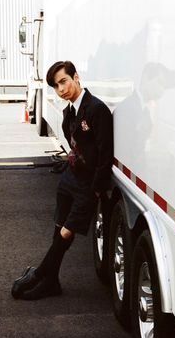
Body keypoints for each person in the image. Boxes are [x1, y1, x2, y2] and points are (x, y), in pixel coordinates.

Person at [11, 60, 113, 300]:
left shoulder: (97, 109)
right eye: (56, 86)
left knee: (67, 233)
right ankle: (51, 281)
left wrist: (95, 191)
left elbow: (104, 155)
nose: (61, 89)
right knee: (58, 229)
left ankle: (38, 273)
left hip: (87, 186)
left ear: (76, 77)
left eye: (64, 81)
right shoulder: (69, 112)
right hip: (69, 178)